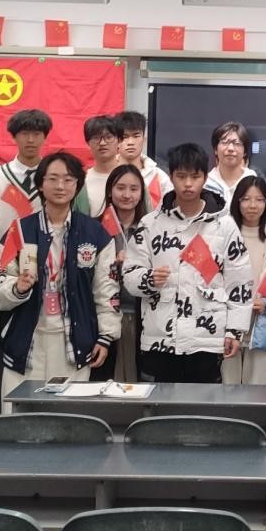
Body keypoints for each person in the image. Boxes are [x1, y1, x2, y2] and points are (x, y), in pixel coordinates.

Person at [0, 151, 119, 399]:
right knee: (19, 415)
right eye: (53, 178)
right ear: (40, 184)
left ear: (77, 185)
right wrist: (17, 288)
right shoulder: (19, 231)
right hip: (26, 342)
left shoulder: (95, 234)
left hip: (75, 343)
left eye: (68, 179)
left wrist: (105, 337)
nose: (60, 186)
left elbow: (106, 290)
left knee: (68, 416)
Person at [122, 143, 252, 383]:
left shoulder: (224, 226)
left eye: (195, 176)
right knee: (161, 402)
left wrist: (235, 330)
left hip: (207, 337)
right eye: (181, 176)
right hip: (161, 337)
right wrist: (148, 279)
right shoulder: (151, 224)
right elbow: (129, 273)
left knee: (202, 403)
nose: (188, 184)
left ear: (205, 177)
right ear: (171, 176)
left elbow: (240, 281)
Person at [222, 175, 266, 385]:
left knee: (258, 390)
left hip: (262, 323)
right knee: (227, 389)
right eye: (246, 199)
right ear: (237, 201)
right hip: (227, 324)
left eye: (259, 199)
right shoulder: (223, 236)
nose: (252, 205)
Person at [94, 164, 149, 383]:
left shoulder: (151, 228)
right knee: (105, 380)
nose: (127, 195)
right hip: (104, 316)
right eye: (120, 188)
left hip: (141, 315)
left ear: (141, 193)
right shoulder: (94, 228)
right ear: (110, 191)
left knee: (140, 381)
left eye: (134, 189)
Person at [0, 108, 51, 246]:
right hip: (1, 254)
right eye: (24, 134)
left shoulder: (53, 178)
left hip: (45, 254)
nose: (30, 140)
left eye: (36, 134)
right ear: (14, 137)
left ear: (45, 137)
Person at [113, 111, 173, 211]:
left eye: (136, 136)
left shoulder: (159, 178)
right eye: (124, 137)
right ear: (116, 140)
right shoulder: (107, 173)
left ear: (144, 139)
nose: (130, 142)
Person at [205, 121, 257, 211]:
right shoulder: (206, 183)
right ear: (215, 149)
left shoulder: (253, 181)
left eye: (237, 144)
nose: (230, 149)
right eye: (225, 142)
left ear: (245, 151)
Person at [74, 115, 119, 217]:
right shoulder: (81, 182)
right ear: (87, 143)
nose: (102, 143)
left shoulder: (134, 177)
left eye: (109, 137)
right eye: (96, 138)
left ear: (119, 140)